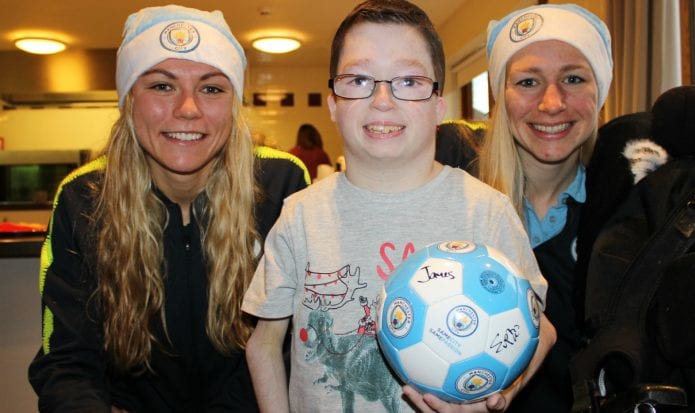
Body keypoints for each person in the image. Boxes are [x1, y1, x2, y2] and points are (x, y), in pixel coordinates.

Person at [243, 1, 556, 412]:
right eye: (358, 79)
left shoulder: (486, 211)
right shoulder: (301, 216)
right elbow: (263, 344)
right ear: (334, 103)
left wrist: (502, 396)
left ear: (439, 104)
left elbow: (542, 329)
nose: (383, 100)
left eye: (408, 81)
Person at [27, 5, 306, 411]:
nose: (188, 108)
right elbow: (67, 363)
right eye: (162, 86)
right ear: (128, 100)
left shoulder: (282, 185)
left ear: (234, 104)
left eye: (211, 88)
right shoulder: (84, 197)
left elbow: (295, 341)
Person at [477, 4, 613, 412]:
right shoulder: (462, 207)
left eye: (573, 78)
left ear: (599, 91)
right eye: (529, 81)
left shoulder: (627, 217)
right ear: (501, 95)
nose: (552, 103)